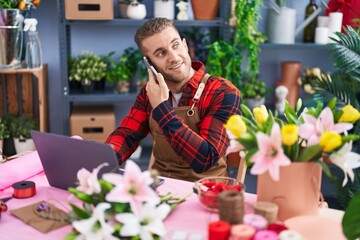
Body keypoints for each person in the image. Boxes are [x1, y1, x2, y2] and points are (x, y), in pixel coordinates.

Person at [106, 18, 241, 182]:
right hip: (161, 188)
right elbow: (127, 135)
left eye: (175, 45)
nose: (174, 57)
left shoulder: (222, 92)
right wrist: (101, 161)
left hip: (206, 192)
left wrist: (162, 108)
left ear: (185, 45)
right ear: (150, 64)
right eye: (161, 53)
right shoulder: (150, 92)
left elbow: (206, 158)